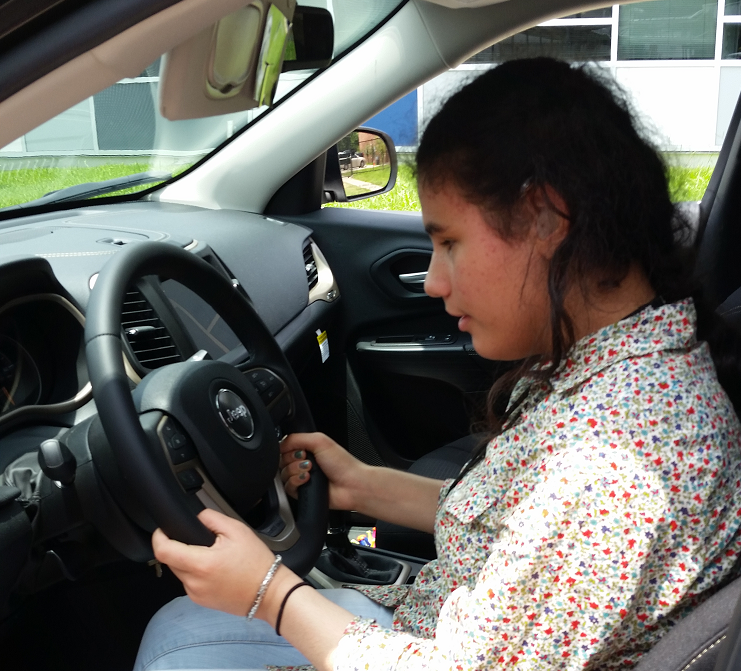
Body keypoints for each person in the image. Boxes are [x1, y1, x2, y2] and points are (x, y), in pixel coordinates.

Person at [134, 58, 741, 671]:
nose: (432, 280)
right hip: (441, 622)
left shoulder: (620, 460)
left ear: (548, 219)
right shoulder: (619, 364)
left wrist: (270, 593)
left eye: (449, 243)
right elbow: (513, 521)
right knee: (180, 623)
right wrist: (364, 485)